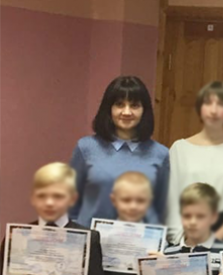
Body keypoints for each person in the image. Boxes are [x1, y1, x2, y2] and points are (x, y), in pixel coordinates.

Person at [69, 75, 169, 227]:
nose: (127, 112)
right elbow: (71, 202)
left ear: (144, 111)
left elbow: (163, 209)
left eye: (134, 105)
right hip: (90, 238)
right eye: (120, 104)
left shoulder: (160, 154)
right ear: (109, 108)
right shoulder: (86, 148)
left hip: (141, 239)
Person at [166, 81, 223, 245]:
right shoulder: (179, 149)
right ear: (199, 108)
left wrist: (215, 239)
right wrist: (182, 241)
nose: (214, 110)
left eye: (221, 104)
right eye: (208, 103)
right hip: (186, 241)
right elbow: (171, 200)